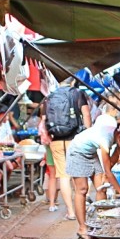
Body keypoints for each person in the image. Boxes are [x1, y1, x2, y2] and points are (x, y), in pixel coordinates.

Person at [65, 115, 120, 239]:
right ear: (119, 137)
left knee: (101, 187)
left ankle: (101, 223)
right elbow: (108, 171)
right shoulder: (105, 140)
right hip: (77, 151)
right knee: (82, 190)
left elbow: (111, 163)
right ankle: (82, 228)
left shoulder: (117, 132)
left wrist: (119, 150)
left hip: (91, 153)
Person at [40, 81, 92, 221]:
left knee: (63, 176)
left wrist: (47, 138)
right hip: (75, 140)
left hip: (56, 140)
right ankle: (81, 206)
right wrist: (88, 134)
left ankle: (71, 212)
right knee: (78, 174)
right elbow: (86, 115)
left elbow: (43, 121)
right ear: (72, 80)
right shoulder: (77, 93)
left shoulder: (49, 97)